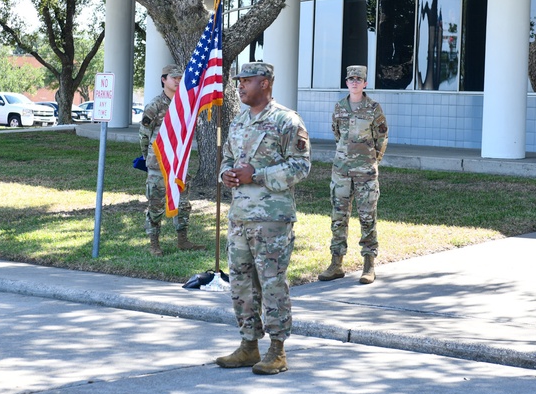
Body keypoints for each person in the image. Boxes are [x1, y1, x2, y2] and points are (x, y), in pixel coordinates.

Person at [216, 62, 310, 375]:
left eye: (246, 81)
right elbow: (229, 159)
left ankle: (277, 350)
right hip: (241, 216)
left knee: (271, 283)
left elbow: (301, 166)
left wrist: (257, 175)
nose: (240, 86)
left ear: (265, 83)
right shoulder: (239, 120)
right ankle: (248, 344)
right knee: (241, 283)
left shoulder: (286, 120)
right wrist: (226, 175)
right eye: (238, 81)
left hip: (272, 217)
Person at [319, 65, 389, 285]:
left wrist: (372, 161)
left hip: (366, 172)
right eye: (351, 79)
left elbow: (382, 137)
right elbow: (337, 133)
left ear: (365, 83)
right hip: (341, 171)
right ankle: (336, 263)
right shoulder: (339, 107)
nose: (355, 83)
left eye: (359, 79)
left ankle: (369, 265)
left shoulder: (373, 108)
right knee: (338, 217)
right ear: (347, 82)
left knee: (367, 217)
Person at [138, 64, 206, 257]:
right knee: (156, 203)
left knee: (183, 203)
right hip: (159, 162)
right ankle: (154, 243)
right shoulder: (155, 105)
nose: (177, 81)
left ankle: (182, 240)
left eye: (179, 78)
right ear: (163, 79)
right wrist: (148, 158)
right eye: (173, 78)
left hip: (179, 162)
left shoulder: (184, 104)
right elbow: (144, 136)